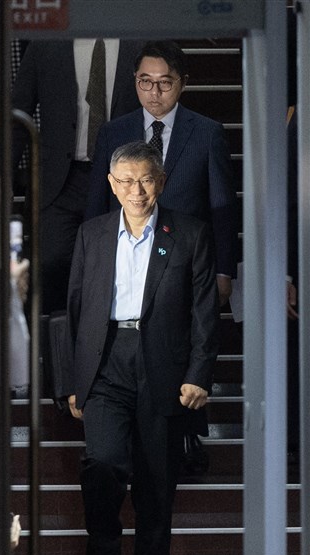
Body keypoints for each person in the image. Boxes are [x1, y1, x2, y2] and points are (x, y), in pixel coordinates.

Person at [65, 141, 219, 555]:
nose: (137, 191)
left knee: (156, 481)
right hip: (105, 361)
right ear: (112, 186)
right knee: (103, 463)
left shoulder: (189, 233)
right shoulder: (91, 234)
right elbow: (75, 309)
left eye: (146, 180)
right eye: (127, 181)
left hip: (163, 366)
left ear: (162, 182)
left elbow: (205, 312)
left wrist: (198, 373)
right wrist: (73, 381)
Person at [84, 39, 237, 473]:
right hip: (128, 259)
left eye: (164, 83)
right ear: (134, 82)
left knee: (182, 346)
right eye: (145, 82)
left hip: (186, 263)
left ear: (182, 84)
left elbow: (222, 207)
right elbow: (98, 204)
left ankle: (184, 436)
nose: (154, 92)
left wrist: (225, 269)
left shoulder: (206, 132)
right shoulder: (113, 132)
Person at [10, 38, 144, 316]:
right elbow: (17, 116)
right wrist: (1, 182)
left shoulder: (138, 41)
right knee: (50, 266)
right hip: (60, 181)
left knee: (115, 273)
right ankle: (57, 340)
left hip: (121, 182)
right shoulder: (46, 44)